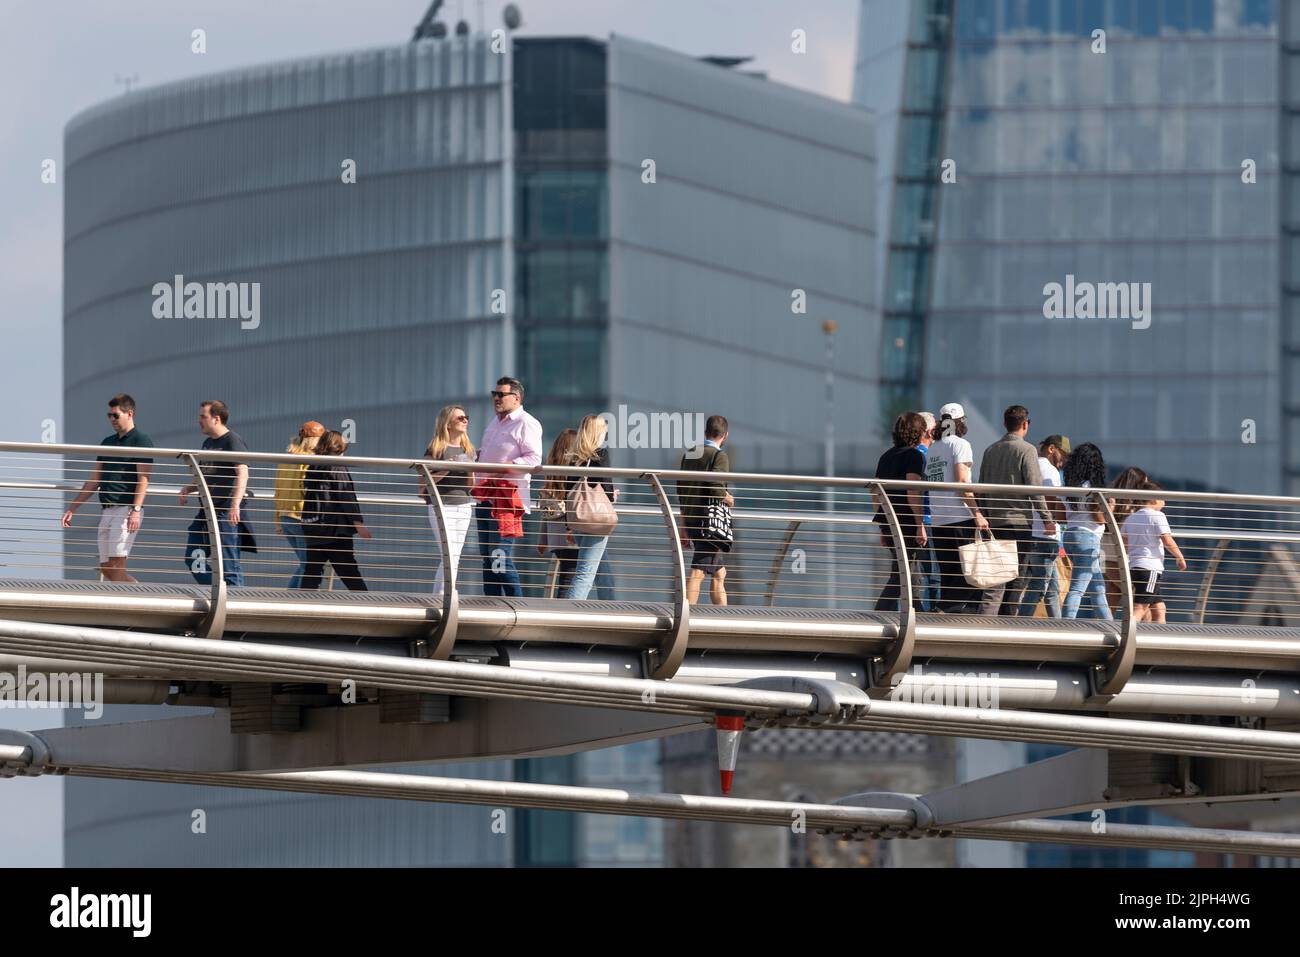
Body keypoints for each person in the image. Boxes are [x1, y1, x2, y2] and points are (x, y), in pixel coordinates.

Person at [62, 394, 155, 583]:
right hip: (107, 510)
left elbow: (143, 478)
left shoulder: (141, 440)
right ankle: (139, 593)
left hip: (126, 509)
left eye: (115, 415)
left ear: (130, 414)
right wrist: (73, 507)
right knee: (106, 568)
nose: (111, 419)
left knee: (115, 565)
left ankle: (139, 601)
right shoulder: (108, 442)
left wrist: (136, 510)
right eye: (109, 415)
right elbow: (95, 479)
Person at [976, 405, 1054, 615]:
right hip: (1019, 523)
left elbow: (981, 488)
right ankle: (1008, 623)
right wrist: (1047, 519)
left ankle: (991, 624)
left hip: (995, 523)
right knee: (1016, 580)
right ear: (1025, 424)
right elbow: (1034, 489)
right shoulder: (1027, 450)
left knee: (997, 578)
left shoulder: (991, 450)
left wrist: (983, 515)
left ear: (1005, 424)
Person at [476, 377, 543, 597]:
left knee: (499, 556)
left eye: (501, 394)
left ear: (516, 398)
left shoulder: (526, 422)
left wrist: (507, 466)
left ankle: (518, 606)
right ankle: (492, 606)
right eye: (494, 394)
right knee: (488, 557)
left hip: (506, 499)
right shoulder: (495, 422)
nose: (496, 398)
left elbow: (534, 459)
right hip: (485, 496)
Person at [178, 400, 252, 586]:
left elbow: (242, 472)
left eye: (203, 417)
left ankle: (235, 604)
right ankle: (217, 592)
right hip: (206, 510)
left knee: (228, 564)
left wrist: (235, 505)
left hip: (225, 512)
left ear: (216, 419)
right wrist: (189, 488)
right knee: (194, 558)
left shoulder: (232, 440)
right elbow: (207, 476)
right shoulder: (208, 443)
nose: (199, 421)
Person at [925, 403, 989, 613]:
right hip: (960, 517)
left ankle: (948, 621)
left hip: (938, 519)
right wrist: (977, 513)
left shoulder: (933, 447)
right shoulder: (960, 444)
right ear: (961, 421)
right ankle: (942, 609)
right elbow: (962, 482)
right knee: (972, 573)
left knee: (948, 574)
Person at [299, 430, 372, 591]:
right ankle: (366, 605)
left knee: (312, 571)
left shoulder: (313, 466)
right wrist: (358, 523)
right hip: (333, 530)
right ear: (339, 447)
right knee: (349, 571)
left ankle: (302, 606)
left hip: (313, 527)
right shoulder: (337, 466)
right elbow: (346, 495)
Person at [676, 415, 734, 606]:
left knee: (719, 573)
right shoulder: (719, 456)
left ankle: (723, 619)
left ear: (705, 433)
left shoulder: (690, 453)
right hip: (709, 525)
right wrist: (728, 498)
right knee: (698, 572)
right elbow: (716, 487)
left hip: (693, 521)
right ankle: (686, 617)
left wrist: (683, 524)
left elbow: (681, 491)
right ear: (725, 435)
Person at [873, 412, 928, 612]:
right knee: (903, 572)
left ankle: (917, 612)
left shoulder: (886, 456)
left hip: (889, 519)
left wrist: (882, 526)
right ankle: (882, 613)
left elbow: (876, 494)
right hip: (905, 520)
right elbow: (912, 489)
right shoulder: (914, 456)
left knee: (904, 570)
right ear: (918, 432)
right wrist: (919, 524)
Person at [420, 405, 477, 597]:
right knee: (449, 552)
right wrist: (448, 467)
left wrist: (471, 468)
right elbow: (423, 482)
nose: (465, 421)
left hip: (465, 504)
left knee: (455, 553)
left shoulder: (468, 449)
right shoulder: (436, 447)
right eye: (460, 418)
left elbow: (471, 484)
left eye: (465, 417)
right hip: (441, 505)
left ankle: (443, 593)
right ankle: (446, 593)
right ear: (448, 423)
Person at [561, 415, 619, 600]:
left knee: (604, 574)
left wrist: (568, 525)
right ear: (597, 432)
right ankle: (570, 615)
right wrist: (612, 496)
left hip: (579, 519)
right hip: (596, 519)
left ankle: (611, 611)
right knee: (585, 573)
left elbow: (568, 490)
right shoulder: (601, 453)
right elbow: (606, 483)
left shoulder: (575, 456)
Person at [1017, 435, 1070, 618]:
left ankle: (1059, 627)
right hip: (1045, 535)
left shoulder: (1029, 464)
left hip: (1030, 532)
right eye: (1062, 455)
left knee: (1052, 589)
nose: (1063, 461)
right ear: (1051, 449)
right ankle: (1022, 623)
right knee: (1039, 586)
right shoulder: (1050, 470)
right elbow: (1052, 501)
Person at [1060, 442, 1113, 620]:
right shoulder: (1092, 488)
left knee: (1098, 589)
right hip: (1087, 539)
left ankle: (1111, 626)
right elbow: (1099, 517)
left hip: (1071, 535)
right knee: (1077, 589)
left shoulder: (1071, 487)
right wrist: (1110, 507)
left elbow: (1061, 514)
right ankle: (1066, 629)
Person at [1122, 481, 1186, 623]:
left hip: (1135, 567)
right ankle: (1127, 634)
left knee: (1159, 608)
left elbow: (1124, 542)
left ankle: (1159, 637)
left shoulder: (1131, 518)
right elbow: (1167, 539)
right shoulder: (1158, 516)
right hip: (1150, 568)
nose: (1164, 503)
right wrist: (1179, 557)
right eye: (1162, 498)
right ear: (1154, 499)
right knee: (1140, 607)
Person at [273, 421, 324, 589]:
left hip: (286, 518)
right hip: (302, 518)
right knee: (308, 566)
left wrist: (278, 520)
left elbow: (278, 489)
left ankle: (292, 601)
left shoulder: (288, 458)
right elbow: (309, 490)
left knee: (306, 565)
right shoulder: (310, 460)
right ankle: (292, 603)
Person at [535, 429, 580, 597]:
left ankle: (561, 612)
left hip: (555, 538)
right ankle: (564, 615)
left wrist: (543, 540)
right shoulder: (575, 471)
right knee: (571, 580)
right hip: (571, 535)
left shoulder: (552, 472)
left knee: (566, 578)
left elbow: (547, 511)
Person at [1105, 466, 1150, 614]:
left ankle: (1104, 631)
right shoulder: (1134, 508)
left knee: (1112, 598)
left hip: (1107, 557)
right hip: (1121, 560)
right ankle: (1143, 633)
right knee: (1140, 600)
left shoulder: (1111, 499)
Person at [915, 411, 940, 611]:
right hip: (928, 520)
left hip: (918, 521)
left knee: (917, 572)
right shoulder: (926, 456)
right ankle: (933, 617)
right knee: (933, 573)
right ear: (930, 431)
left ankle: (920, 614)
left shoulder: (911, 453)